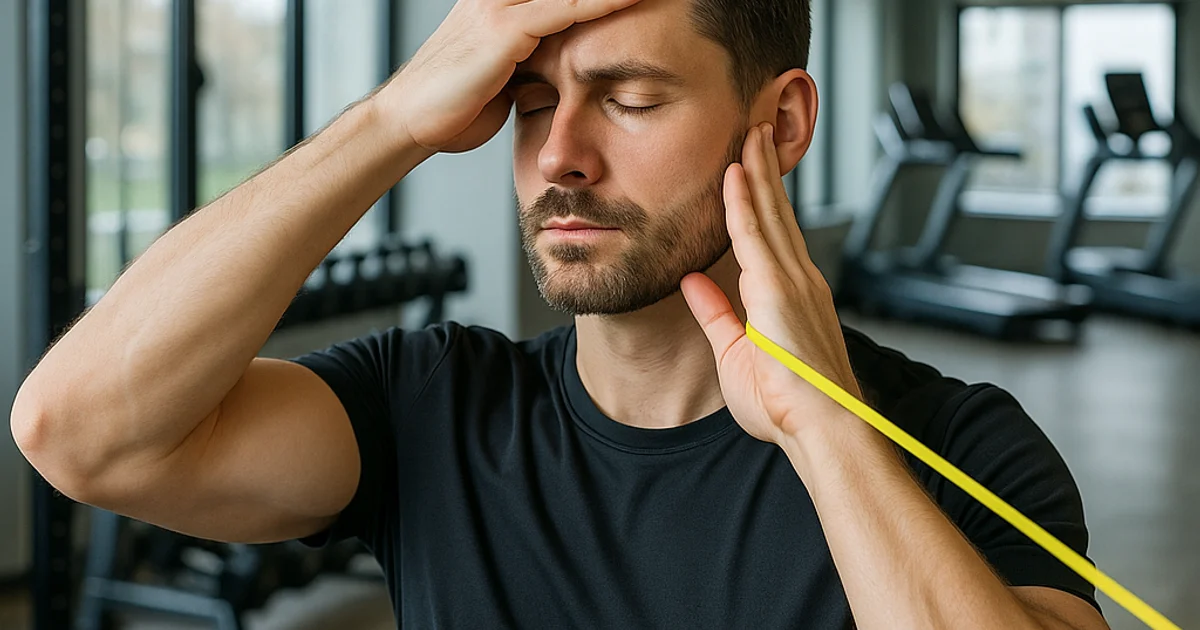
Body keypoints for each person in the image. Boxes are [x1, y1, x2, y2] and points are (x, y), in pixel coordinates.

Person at [11, 0, 1110, 627]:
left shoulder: (967, 449)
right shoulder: (430, 406)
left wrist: (824, 427)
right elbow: (77, 431)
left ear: (778, 125)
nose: (558, 157)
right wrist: (394, 117)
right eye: (532, 106)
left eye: (630, 99)